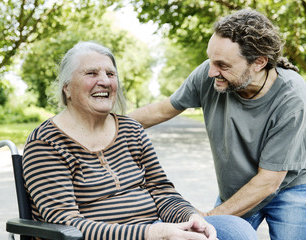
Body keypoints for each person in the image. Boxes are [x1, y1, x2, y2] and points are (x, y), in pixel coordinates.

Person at [22, 41, 257, 240]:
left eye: (110, 74)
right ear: (67, 89)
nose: (104, 81)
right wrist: (152, 233)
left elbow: (161, 190)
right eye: (91, 73)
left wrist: (189, 217)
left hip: (155, 227)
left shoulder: (130, 130)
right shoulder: (47, 142)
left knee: (237, 230)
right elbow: (68, 224)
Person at [129, 8, 306, 240]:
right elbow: (161, 111)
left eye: (222, 65)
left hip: (288, 189)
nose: (212, 72)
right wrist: (100, 127)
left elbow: (268, 181)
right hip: (235, 188)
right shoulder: (209, 73)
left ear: (259, 62)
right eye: (211, 61)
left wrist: (208, 217)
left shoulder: (293, 98)